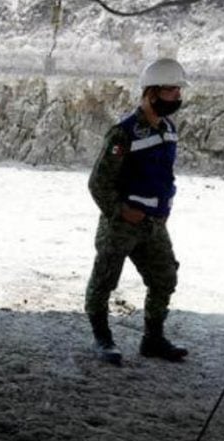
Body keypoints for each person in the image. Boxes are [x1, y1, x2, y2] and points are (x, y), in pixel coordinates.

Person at [85, 57, 190, 365]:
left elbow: (164, 176)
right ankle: (102, 339)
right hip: (122, 223)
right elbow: (98, 183)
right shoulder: (124, 133)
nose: (178, 98)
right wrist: (120, 211)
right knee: (104, 279)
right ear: (152, 92)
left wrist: (166, 206)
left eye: (178, 92)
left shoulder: (169, 129)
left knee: (165, 277)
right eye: (172, 91)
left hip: (155, 223)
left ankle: (152, 339)